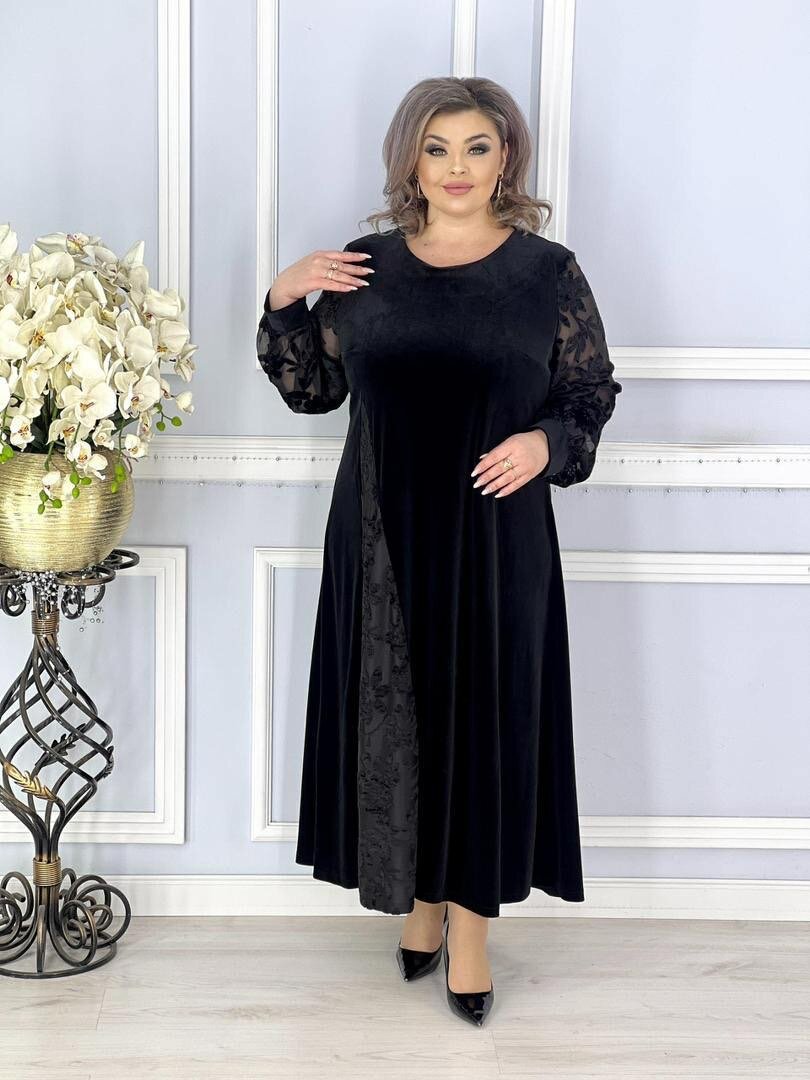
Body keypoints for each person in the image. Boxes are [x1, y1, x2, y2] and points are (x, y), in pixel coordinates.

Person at [256, 75, 622, 1028]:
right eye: (437, 148)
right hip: (380, 533)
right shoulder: (367, 266)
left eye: (477, 147)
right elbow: (312, 392)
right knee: (397, 719)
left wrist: (545, 444)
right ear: (410, 160)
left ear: (507, 160)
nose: (457, 168)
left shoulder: (548, 272)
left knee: (483, 724)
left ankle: (470, 931)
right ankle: (420, 902)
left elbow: (589, 395)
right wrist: (285, 297)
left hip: (498, 539)